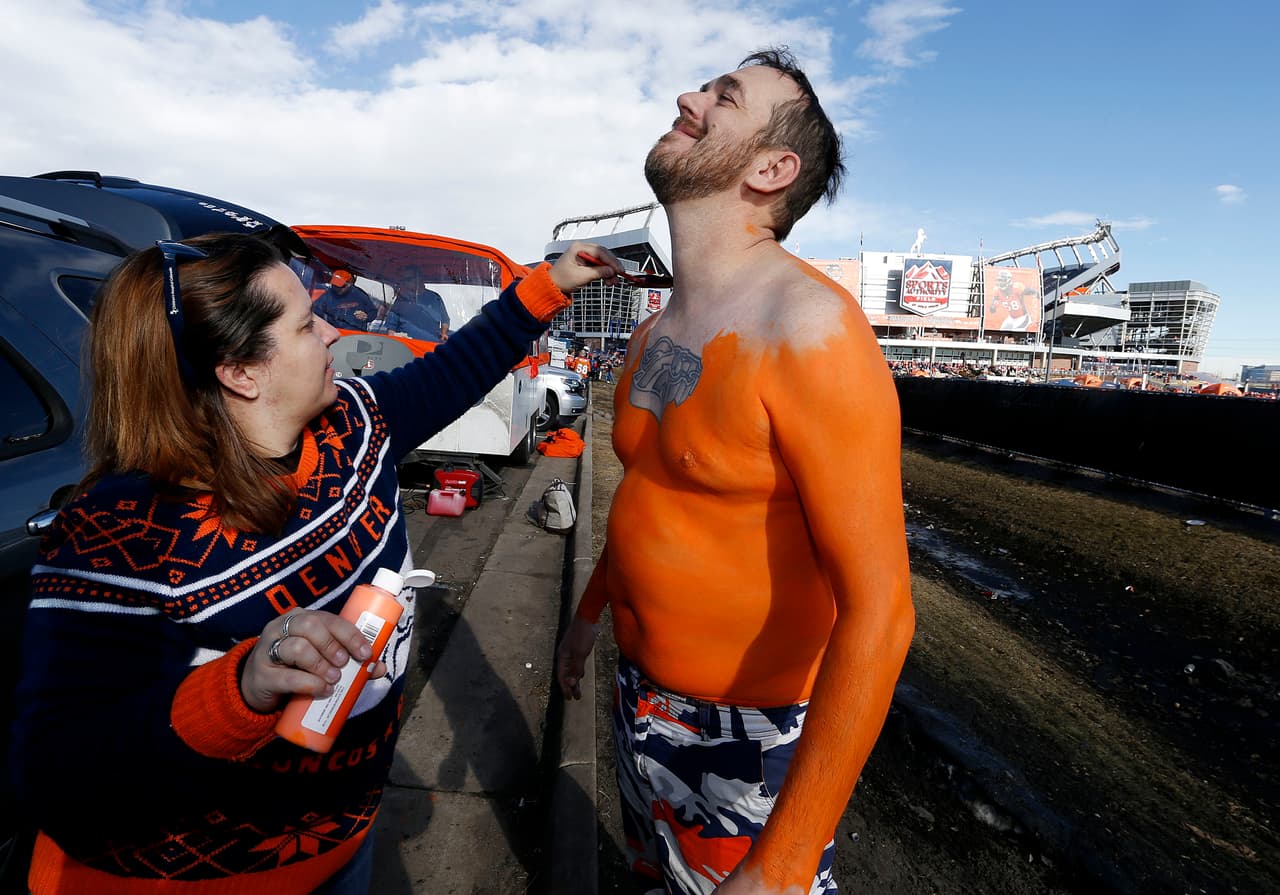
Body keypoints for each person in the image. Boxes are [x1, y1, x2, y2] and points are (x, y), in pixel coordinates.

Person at [10, 229, 621, 894]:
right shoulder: (121, 530)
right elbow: (55, 771)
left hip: (340, 848)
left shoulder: (355, 423)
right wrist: (241, 686)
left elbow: (454, 370)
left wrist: (549, 285)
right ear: (242, 372)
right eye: (306, 325)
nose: (332, 332)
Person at [556, 47, 914, 895]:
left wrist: (784, 864)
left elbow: (883, 613)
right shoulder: (658, 329)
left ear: (771, 168)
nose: (687, 97)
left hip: (745, 736)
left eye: (723, 97)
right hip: (638, 699)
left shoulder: (813, 333)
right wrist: (585, 618)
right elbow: (651, 495)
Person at [385, 265, 450, 342]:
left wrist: (443, 333)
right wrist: (391, 341)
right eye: (404, 280)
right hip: (405, 345)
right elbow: (391, 326)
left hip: (429, 345)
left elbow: (445, 320)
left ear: (419, 279)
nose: (405, 282)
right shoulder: (401, 299)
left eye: (408, 279)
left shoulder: (435, 298)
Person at [313, 268, 379, 330]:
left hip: (356, 333)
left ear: (349, 284)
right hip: (334, 332)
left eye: (341, 286)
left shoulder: (359, 295)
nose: (337, 289)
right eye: (335, 285)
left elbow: (373, 311)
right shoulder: (328, 295)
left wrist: (366, 317)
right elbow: (315, 310)